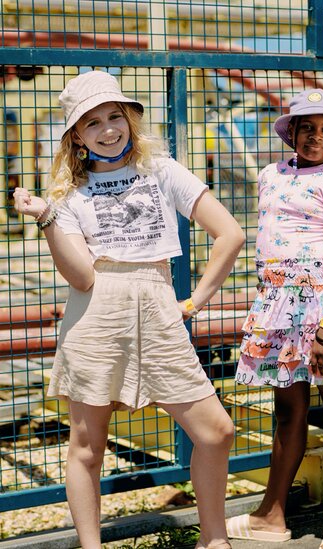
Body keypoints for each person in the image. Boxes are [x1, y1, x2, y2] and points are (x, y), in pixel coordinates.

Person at [11, 70, 244, 549]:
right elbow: (81, 277)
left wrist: (195, 300)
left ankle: (213, 540)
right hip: (97, 312)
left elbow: (231, 233)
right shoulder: (66, 197)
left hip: (158, 301)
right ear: (76, 136)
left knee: (216, 431)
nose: (107, 130)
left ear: (130, 120)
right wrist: (47, 217)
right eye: (91, 123)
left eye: (114, 116)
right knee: (88, 447)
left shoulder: (162, 171)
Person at [223, 88, 323, 549]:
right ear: (291, 131)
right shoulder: (269, 174)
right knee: (288, 410)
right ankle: (272, 516)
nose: (316, 137)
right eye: (307, 127)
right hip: (277, 304)